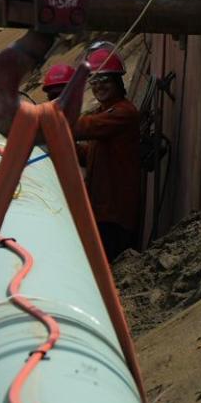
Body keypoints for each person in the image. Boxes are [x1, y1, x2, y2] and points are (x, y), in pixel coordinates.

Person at [74, 43, 141, 262]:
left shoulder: (123, 113)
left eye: (105, 80)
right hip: (101, 212)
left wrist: (52, 124)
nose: (99, 86)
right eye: (94, 81)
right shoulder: (104, 113)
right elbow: (90, 155)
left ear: (117, 81)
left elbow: (85, 127)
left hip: (115, 215)